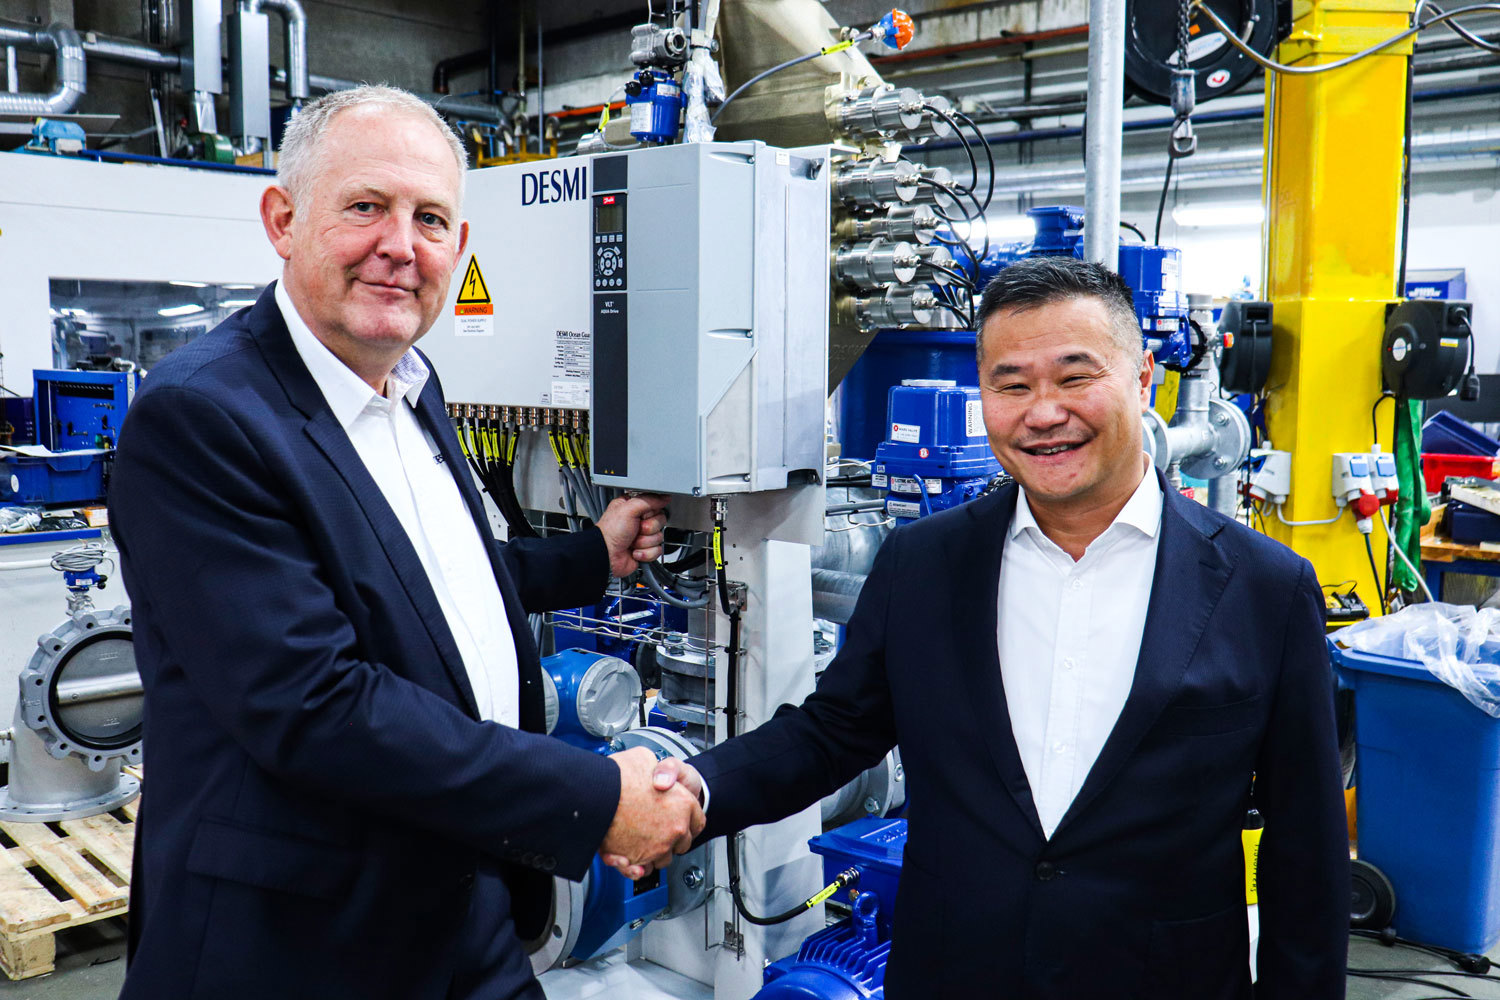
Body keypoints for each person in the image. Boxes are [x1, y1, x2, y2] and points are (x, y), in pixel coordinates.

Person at [109, 85, 702, 1000]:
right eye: (365, 207)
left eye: (430, 218)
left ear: (459, 248)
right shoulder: (203, 416)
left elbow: (417, 585)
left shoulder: (413, 387)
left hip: (463, 899)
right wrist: (587, 799)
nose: (400, 245)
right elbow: (315, 702)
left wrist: (591, 555)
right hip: (304, 938)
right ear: (283, 219)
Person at [638, 256, 1349, 998]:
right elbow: (832, 731)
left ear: (1144, 378)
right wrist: (696, 787)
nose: (1043, 411)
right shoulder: (924, 564)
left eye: (1075, 377)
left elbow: (1308, 853)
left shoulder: (1264, 587)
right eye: (1012, 384)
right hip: (956, 971)